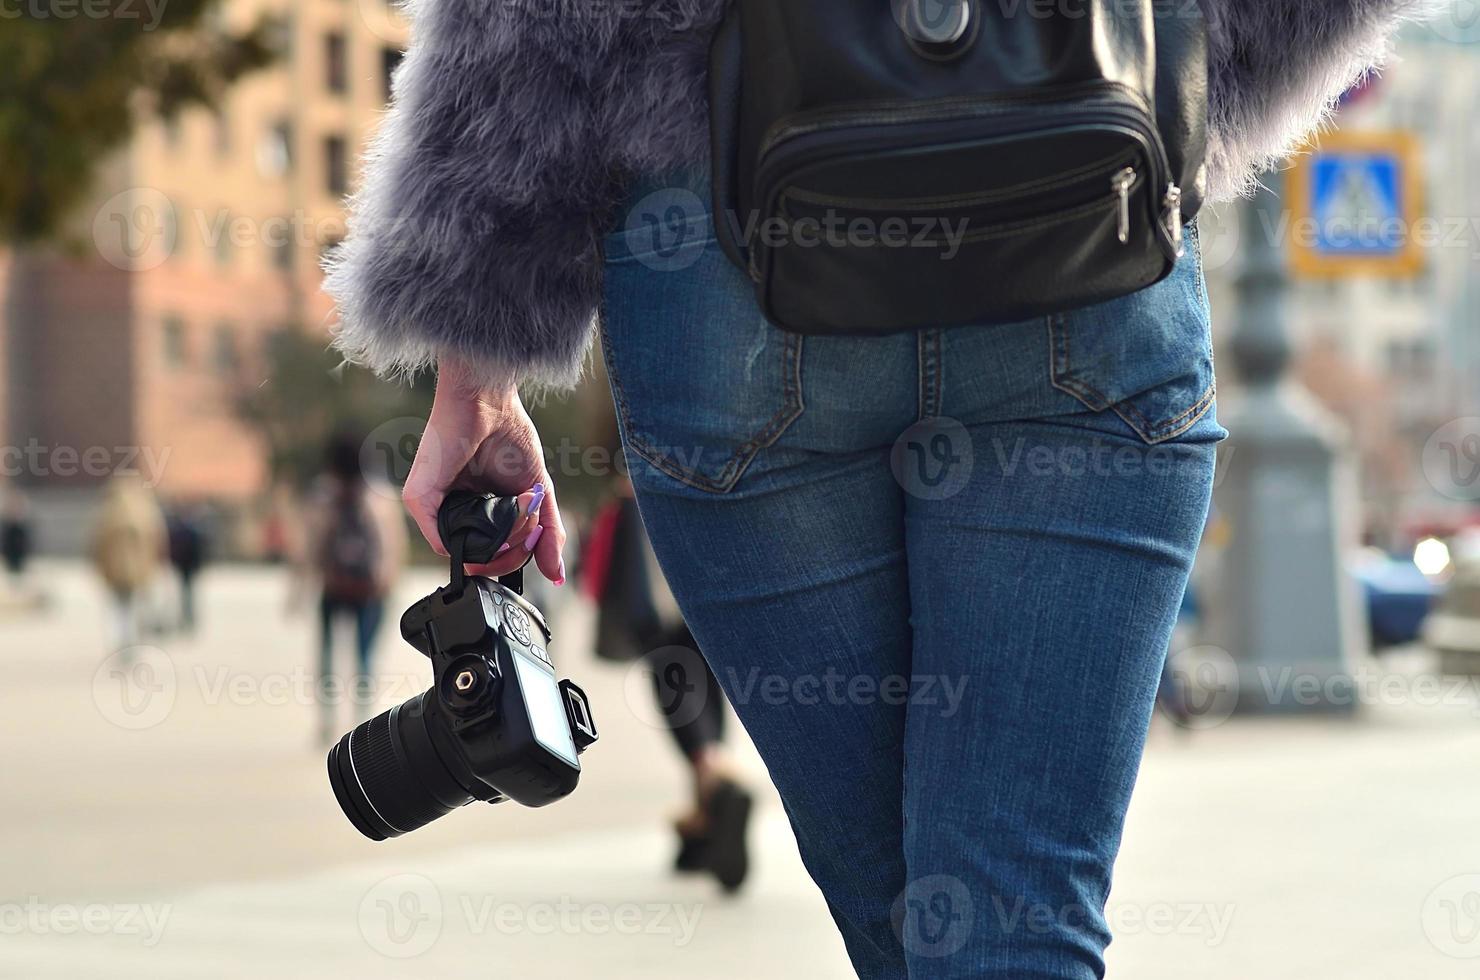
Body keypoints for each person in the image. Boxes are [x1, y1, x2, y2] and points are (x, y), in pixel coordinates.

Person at [323, 2, 1425, 974]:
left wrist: (478, 355)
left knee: (905, 919)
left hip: (726, 265)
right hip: (1088, 211)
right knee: (1010, 917)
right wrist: (1194, 82)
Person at [584, 479, 753, 892]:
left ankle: (716, 780)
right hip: (712, 582)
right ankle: (705, 819)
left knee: (675, 693)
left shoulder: (643, 462)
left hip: (662, 596)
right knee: (705, 693)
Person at [299, 434, 409, 744]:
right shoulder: (378, 493)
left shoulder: (326, 495)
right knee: (358, 658)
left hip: (340, 587)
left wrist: (301, 584)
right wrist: (388, 582)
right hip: (367, 590)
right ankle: (355, 722)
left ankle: (335, 720)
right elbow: (394, 544)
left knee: (336, 657)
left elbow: (309, 545)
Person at [90, 474, 166, 658]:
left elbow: (97, 543)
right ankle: (130, 642)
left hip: (114, 570)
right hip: (138, 571)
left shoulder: (109, 512)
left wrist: (100, 566)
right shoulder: (146, 512)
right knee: (133, 607)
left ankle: (121, 642)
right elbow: (157, 541)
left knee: (118, 608)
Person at [165, 502, 209, 634]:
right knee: (186, 594)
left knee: (188, 594)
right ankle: (186, 618)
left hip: (187, 567)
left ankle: (188, 618)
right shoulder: (186, 530)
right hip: (184, 567)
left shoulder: (189, 530)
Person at [1, 488, 33, 594]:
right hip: (10, 558)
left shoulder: (22, 528)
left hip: (20, 559)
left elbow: (27, 543)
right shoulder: (7, 527)